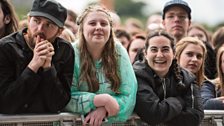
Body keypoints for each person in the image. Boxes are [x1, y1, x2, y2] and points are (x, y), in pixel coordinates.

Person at [65, 5, 137, 126]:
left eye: (103, 24)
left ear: (110, 29)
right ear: (82, 28)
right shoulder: (71, 53)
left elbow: (130, 95)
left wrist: (104, 110)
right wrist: (99, 100)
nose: (98, 27)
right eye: (92, 23)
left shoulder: (119, 52)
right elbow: (65, 98)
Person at [0, 0, 74, 114]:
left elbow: (59, 104)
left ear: (59, 31)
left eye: (48, 24)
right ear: (29, 20)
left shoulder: (65, 50)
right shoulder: (6, 47)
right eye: (36, 21)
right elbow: (6, 104)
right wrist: (33, 66)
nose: (40, 29)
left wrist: (48, 69)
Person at [134, 30, 204, 126]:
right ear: (145, 53)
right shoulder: (137, 75)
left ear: (174, 53)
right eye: (154, 49)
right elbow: (153, 114)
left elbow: (195, 117)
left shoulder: (188, 78)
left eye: (165, 49)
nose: (159, 55)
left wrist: (162, 115)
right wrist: (179, 101)